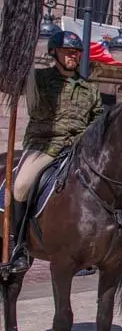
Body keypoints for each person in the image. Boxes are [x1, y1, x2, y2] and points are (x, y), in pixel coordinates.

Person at [7, 31, 103, 273]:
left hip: (79, 152)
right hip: (45, 147)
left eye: (76, 52)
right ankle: (18, 245)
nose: (73, 56)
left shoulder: (89, 88)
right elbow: (9, 82)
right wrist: (18, 53)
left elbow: (98, 120)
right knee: (20, 186)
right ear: (53, 52)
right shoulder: (38, 79)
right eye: (67, 51)